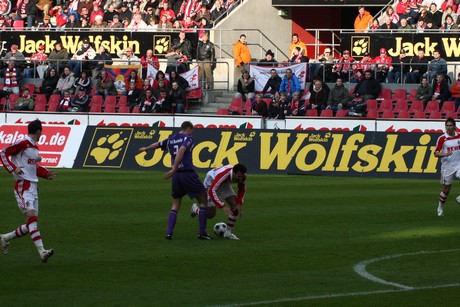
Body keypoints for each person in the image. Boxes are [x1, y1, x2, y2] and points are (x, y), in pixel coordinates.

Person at [138, 121, 211, 240]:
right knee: (203, 201)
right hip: (187, 173)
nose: (192, 133)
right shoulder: (188, 138)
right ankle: (202, 233)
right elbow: (182, 151)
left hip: (177, 176)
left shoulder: (171, 139)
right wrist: (174, 168)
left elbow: (158, 144)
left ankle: (169, 233)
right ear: (189, 129)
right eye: (192, 131)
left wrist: (146, 148)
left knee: (175, 204)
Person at [0, 119, 56, 263]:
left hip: (33, 187)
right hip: (23, 186)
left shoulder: (34, 147)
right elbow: (3, 153)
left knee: (32, 223)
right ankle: (42, 252)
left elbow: (32, 168)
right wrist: (13, 168)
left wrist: (45, 174)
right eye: (41, 131)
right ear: (38, 131)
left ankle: (5, 237)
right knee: (32, 219)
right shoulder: (22, 143)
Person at [190, 164, 247, 240]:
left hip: (224, 184)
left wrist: (239, 203)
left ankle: (227, 233)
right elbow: (212, 191)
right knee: (210, 214)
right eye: (238, 177)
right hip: (211, 183)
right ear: (233, 173)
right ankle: (196, 209)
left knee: (235, 206)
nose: (240, 179)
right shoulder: (223, 175)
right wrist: (222, 205)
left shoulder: (242, 177)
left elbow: (242, 189)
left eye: (242, 177)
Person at [434, 118, 460, 217]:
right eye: (447, 126)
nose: (448, 128)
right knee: (446, 189)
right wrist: (446, 154)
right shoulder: (442, 138)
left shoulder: (459, 136)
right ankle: (440, 207)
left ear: (454, 126)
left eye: (450, 125)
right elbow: (436, 154)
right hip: (447, 166)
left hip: (459, 164)